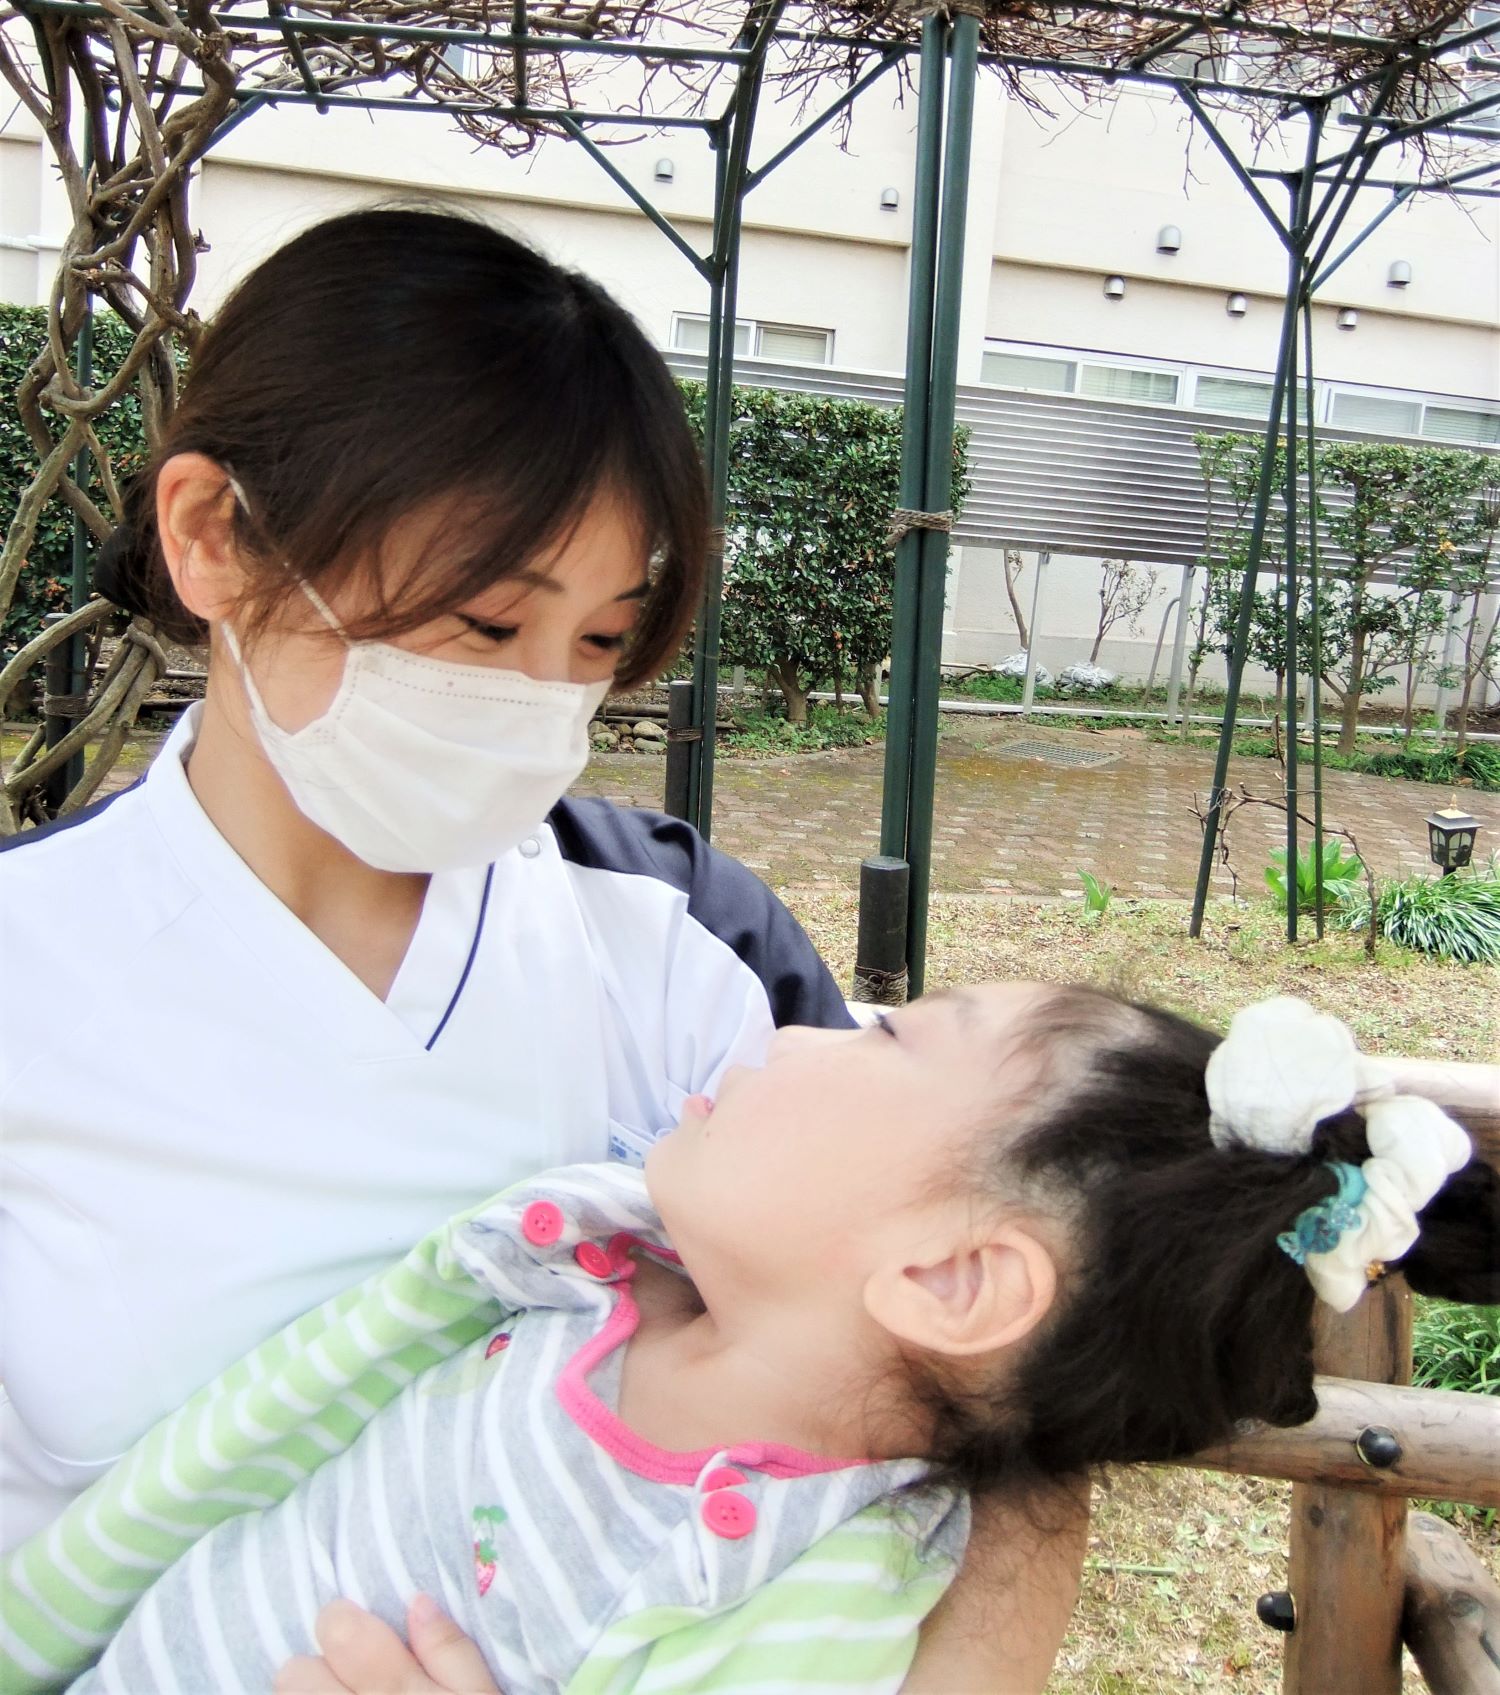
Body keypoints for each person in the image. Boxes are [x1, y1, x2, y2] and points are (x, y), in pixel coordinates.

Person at [0, 207, 1082, 1693]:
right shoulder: (31, 973)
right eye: (483, 617)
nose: (539, 705)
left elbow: (981, 1440)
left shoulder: (692, 956)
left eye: (595, 644)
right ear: (210, 536)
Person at [55, 987, 1493, 1695]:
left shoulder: (800, 1596)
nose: (799, 1032)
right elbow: (237, 1450)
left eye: (882, 1038)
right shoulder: (571, 1275)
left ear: (949, 1283)